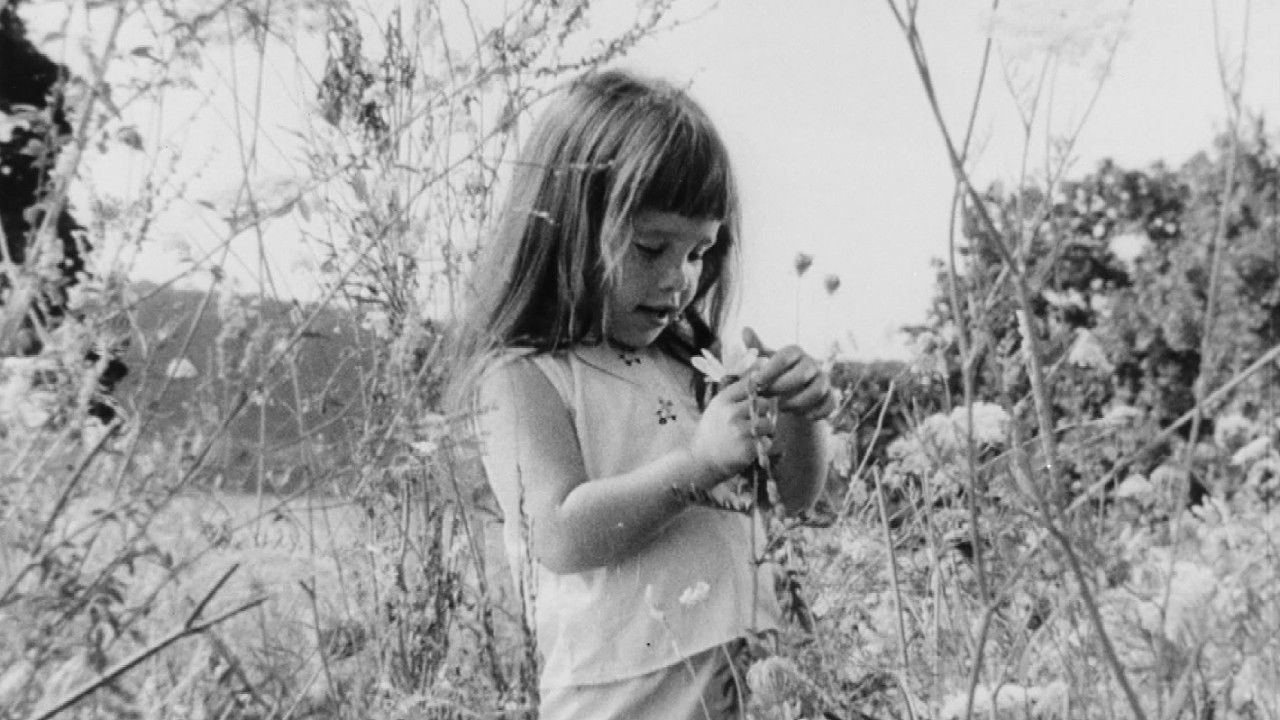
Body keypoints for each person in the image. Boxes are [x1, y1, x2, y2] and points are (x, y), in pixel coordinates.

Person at [447, 69, 836, 720]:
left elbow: (791, 497)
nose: (680, 280)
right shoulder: (523, 375)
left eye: (699, 252)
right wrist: (700, 464)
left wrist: (798, 418)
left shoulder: (690, 358)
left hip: (747, 667)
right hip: (623, 692)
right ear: (565, 229)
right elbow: (559, 534)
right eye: (652, 246)